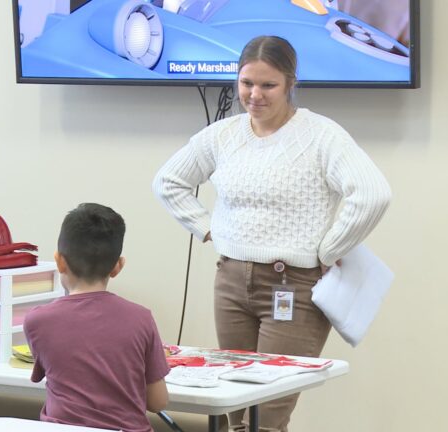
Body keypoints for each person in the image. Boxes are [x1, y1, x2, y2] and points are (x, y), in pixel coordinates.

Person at [152, 36, 391, 432]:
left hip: (293, 287)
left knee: (268, 417)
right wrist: (208, 227)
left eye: (268, 85)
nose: (254, 95)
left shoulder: (321, 135)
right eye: (246, 83)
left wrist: (330, 249)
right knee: (234, 412)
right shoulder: (223, 134)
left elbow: (373, 193)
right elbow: (168, 181)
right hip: (230, 281)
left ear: (290, 83)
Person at [23, 203, 170, 432]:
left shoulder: (37, 321)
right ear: (118, 266)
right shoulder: (141, 318)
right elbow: (157, 402)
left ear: (59, 261)